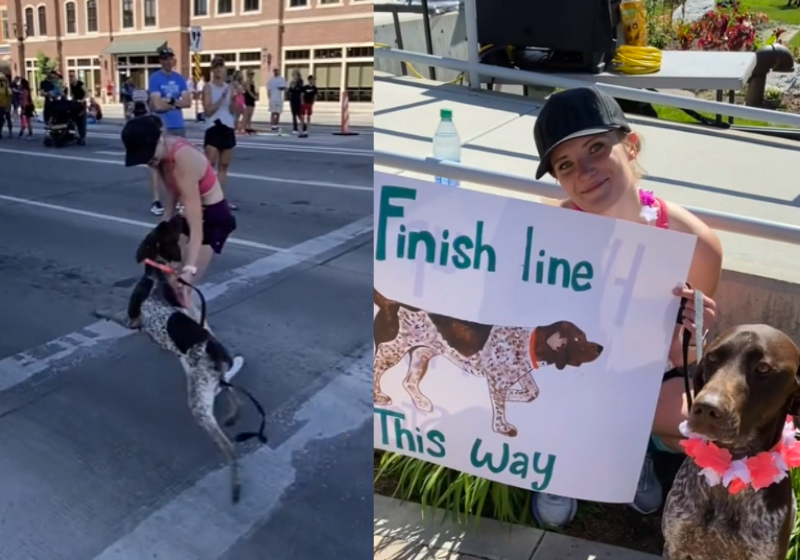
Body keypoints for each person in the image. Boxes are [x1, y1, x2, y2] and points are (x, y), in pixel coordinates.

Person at [527, 86, 722, 527]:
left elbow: (682, 357)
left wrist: (696, 333)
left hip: (645, 374)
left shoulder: (695, 244)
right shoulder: (547, 233)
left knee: (703, 429)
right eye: (565, 164)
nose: (585, 171)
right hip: (571, 369)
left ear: (630, 145)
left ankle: (635, 449)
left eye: (596, 148)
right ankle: (559, 459)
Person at [120, 114, 244, 378]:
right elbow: (171, 198)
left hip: (212, 220)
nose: (148, 162)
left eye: (148, 155)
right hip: (187, 217)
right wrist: (163, 228)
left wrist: (188, 267)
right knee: (170, 282)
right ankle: (194, 343)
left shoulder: (182, 160)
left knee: (183, 289)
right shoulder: (160, 156)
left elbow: (198, 225)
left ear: (159, 140)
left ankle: (221, 363)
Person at [147, 46, 192, 216]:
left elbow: (187, 102)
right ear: (160, 61)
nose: (167, 61)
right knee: (157, 163)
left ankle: (177, 199)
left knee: (178, 163)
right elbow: (157, 105)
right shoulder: (155, 78)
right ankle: (156, 200)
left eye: (170, 58)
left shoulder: (179, 78)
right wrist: (176, 102)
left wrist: (169, 101)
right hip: (161, 126)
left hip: (178, 125)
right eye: (164, 58)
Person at [202, 57, 239, 211]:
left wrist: (234, 99)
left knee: (224, 166)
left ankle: (220, 199)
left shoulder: (229, 87)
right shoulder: (208, 87)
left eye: (221, 67)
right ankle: (206, 198)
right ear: (212, 70)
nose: (218, 70)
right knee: (209, 165)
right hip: (214, 127)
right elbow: (208, 111)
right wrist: (222, 97)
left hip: (227, 126)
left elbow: (233, 110)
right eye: (216, 67)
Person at [266, 67, 286, 132]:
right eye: (274, 70)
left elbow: (284, 87)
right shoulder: (271, 80)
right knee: (273, 112)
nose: (276, 72)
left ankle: (276, 125)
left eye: (277, 70)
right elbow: (268, 89)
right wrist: (269, 97)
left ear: (279, 71)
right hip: (272, 98)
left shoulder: (281, 79)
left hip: (279, 98)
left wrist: (281, 88)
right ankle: (272, 126)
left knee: (278, 113)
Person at [242, 70, 258, 134]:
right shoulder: (247, 82)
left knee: (251, 114)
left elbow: (253, 90)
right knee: (247, 114)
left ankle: (249, 127)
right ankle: (245, 127)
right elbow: (249, 91)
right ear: (248, 75)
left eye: (252, 74)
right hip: (248, 98)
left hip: (252, 99)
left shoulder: (252, 81)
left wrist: (255, 95)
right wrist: (254, 96)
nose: (252, 75)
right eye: (250, 74)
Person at [287, 70, 303, 135]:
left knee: (299, 115)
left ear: (298, 75)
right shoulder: (291, 82)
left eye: (296, 75)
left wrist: (302, 101)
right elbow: (290, 91)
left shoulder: (300, 82)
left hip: (298, 100)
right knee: (293, 115)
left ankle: (304, 126)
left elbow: (301, 92)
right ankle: (295, 128)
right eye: (294, 75)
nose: (295, 76)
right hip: (292, 100)